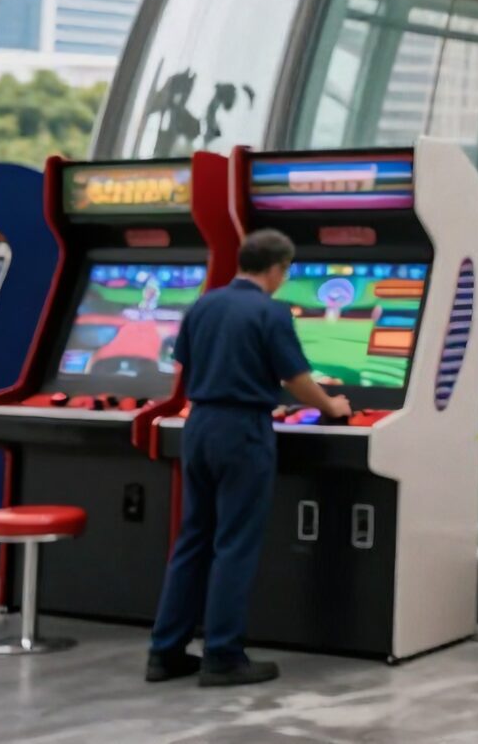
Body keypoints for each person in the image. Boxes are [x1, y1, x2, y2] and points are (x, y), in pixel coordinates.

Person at [147, 228, 351, 687]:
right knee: (235, 543)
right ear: (278, 269)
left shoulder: (203, 304)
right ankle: (222, 655)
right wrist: (331, 407)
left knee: (193, 540)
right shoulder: (271, 311)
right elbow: (297, 378)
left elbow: (192, 364)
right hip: (242, 431)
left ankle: (165, 652)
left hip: (199, 426)